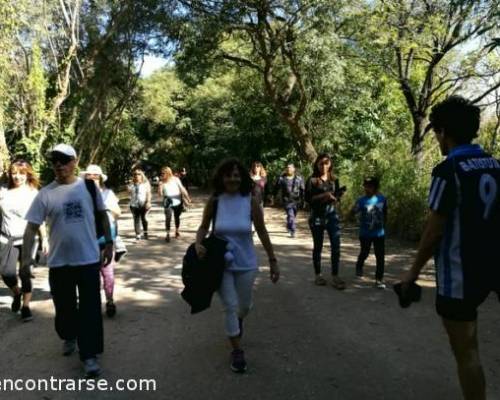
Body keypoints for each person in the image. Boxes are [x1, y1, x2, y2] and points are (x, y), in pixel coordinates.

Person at [400, 96, 500, 400]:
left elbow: (434, 231)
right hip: (495, 265)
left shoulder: (449, 170)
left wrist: (412, 275)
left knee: (468, 354)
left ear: (443, 132)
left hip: (460, 275)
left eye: (436, 133)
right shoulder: (496, 166)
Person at [22, 144, 113, 378]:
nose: (59, 165)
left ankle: (89, 355)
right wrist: (25, 261)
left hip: (88, 259)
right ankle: (69, 335)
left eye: (64, 160)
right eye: (55, 161)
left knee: (91, 309)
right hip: (59, 262)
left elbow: (102, 215)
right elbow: (31, 228)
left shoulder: (89, 188)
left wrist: (109, 243)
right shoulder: (46, 194)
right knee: (64, 310)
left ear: (75, 161)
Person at [195, 158, 279, 373]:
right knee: (230, 306)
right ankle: (237, 350)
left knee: (244, 306)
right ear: (221, 178)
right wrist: (198, 243)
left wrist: (272, 260)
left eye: (236, 175)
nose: (232, 178)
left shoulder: (249, 200)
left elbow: (261, 230)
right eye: (228, 175)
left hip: (246, 262)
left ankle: (238, 321)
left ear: (242, 178)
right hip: (220, 263)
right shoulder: (216, 200)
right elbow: (204, 227)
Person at [0, 160, 47, 321]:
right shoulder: (3, 191)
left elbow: (39, 218)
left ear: (27, 174)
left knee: (25, 273)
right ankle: (17, 293)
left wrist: (45, 238)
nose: (17, 177)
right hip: (7, 238)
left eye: (21, 173)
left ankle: (26, 307)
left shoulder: (33, 193)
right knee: (6, 273)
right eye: (14, 173)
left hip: (28, 237)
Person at [81, 165, 121, 317]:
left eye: (95, 176)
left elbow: (118, 212)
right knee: (92, 274)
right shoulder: (79, 195)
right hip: (86, 239)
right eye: (88, 176)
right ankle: (93, 303)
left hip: (105, 238)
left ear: (100, 178)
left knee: (107, 272)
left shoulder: (107, 194)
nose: (92, 178)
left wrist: (105, 209)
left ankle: (110, 301)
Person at [305, 153, 346, 289]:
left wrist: (336, 197)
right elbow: (308, 200)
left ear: (330, 164)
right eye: (321, 163)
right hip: (316, 216)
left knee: (336, 245)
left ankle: (335, 276)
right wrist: (325, 195)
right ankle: (318, 275)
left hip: (332, 215)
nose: (324, 166)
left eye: (326, 163)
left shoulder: (334, 180)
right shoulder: (311, 180)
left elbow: (337, 198)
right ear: (316, 164)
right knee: (318, 246)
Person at [350, 177, 387, 288]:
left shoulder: (382, 199)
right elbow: (353, 212)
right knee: (365, 253)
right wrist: (350, 217)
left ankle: (379, 279)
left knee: (380, 256)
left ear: (375, 187)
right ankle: (359, 265)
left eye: (370, 186)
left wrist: (384, 226)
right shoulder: (361, 200)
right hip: (365, 233)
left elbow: (385, 213)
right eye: (365, 185)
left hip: (379, 233)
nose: (367, 188)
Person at [159, 166, 191, 242]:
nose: (162, 174)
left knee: (177, 216)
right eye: (162, 173)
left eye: (164, 173)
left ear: (168, 173)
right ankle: (167, 234)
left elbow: (182, 189)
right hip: (167, 200)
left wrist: (188, 198)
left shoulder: (176, 179)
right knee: (168, 217)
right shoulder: (162, 182)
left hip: (177, 200)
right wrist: (160, 187)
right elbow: (160, 194)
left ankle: (177, 230)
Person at [273, 163, 305, 238]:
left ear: (294, 169)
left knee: (293, 215)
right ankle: (293, 230)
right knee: (291, 215)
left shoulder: (299, 178)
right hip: (286, 200)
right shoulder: (281, 178)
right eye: (287, 168)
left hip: (296, 201)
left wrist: (304, 200)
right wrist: (274, 196)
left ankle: (288, 225)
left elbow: (303, 190)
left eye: (290, 168)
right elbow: (276, 188)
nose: (288, 169)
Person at [128, 168, 151, 241]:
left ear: (142, 175)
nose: (137, 176)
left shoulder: (146, 184)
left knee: (144, 218)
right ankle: (138, 234)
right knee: (136, 219)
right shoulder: (131, 184)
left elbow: (148, 194)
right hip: (134, 204)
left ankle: (145, 232)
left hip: (143, 203)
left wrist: (148, 202)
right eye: (135, 174)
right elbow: (129, 194)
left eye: (139, 174)